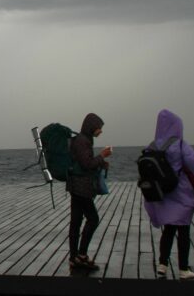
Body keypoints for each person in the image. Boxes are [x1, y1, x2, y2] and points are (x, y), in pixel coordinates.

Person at [144, 109, 194, 280]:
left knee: (168, 231)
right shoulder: (181, 145)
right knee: (184, 232)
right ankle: (183, 269)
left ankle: (162, 264)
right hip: (182, 194)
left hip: (164, 195)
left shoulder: (152, 146)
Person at [66, 113, 112, 271]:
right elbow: (87, 164)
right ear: (92, 126)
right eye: (99, 127)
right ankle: (81, 255)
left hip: (75, 186)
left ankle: (74, 258)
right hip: (81, 188)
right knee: (93, 219)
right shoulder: (83, 141)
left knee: (76, 222)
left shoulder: (82, 139)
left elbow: (84, 163)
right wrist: (102, 156)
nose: (100, 131)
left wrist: (102, 163)